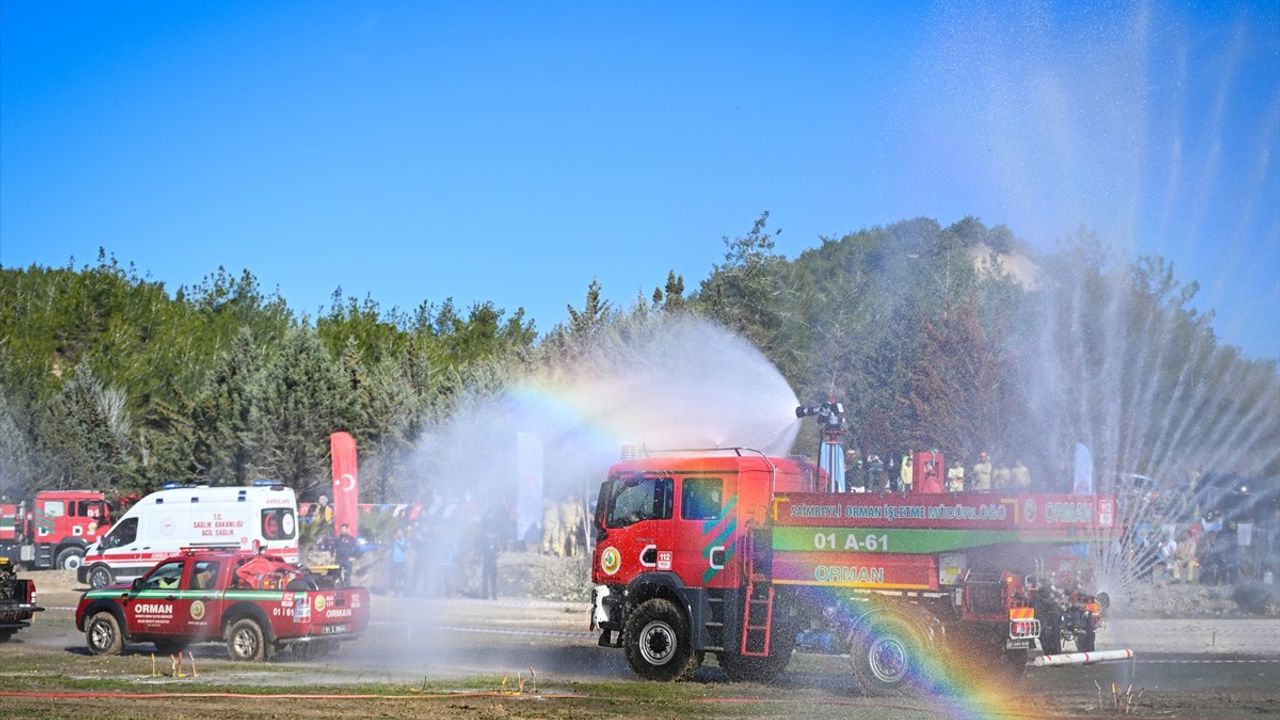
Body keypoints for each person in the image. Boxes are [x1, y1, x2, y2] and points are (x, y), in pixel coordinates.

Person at [480, 528, 500, 600]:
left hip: (493, 563)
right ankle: (484, 595)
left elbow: (498, 551)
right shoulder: (485, 542)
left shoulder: (496, 542)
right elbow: (483, 551)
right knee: (485, 580)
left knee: (493, 580)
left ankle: (494, 595)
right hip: (486, 563)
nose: (491, 535)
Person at [390, 530, 408, 595]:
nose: (398, 534)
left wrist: (397, 542)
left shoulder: (405, 541)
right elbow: (391, 548)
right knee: (394, 575)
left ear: (403, 534)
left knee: (401, 576)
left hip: (402, 561)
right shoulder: (394, 540)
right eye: (397, 533)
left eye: (400, 532)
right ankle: (393, 589)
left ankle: (401, 590)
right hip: (394, 560)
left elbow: (404, 549)